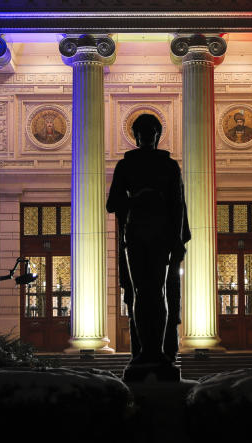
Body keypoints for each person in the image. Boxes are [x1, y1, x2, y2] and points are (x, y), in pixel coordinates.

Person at [107, 113, 187, 381]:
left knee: (160, 292)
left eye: (150, 131)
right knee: (141, 293)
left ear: (157, 134)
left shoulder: (169, 166)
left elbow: (179, 206)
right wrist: (137, 198)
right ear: (136, 136)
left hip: (162, 236)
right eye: (141, 131)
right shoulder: (125, 166)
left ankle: (159, 350)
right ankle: (143, 352)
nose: (146, 135)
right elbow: (112, 203)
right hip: (136, 235)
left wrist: (177, 242)